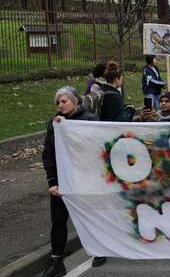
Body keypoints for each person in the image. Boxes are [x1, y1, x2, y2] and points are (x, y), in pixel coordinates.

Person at [40, 87, 106, 276]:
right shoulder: (54, 124)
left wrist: (68, 128)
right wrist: (52, 181)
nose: (60, 105)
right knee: (58, 221)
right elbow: (48, 155)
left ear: (75, 101)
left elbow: (95, 148)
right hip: (62, 181)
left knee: (92, 216)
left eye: (64, 101)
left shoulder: (90, 120)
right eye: (58, 102)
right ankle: (57, 262)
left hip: (85, 179)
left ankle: (99, 249)